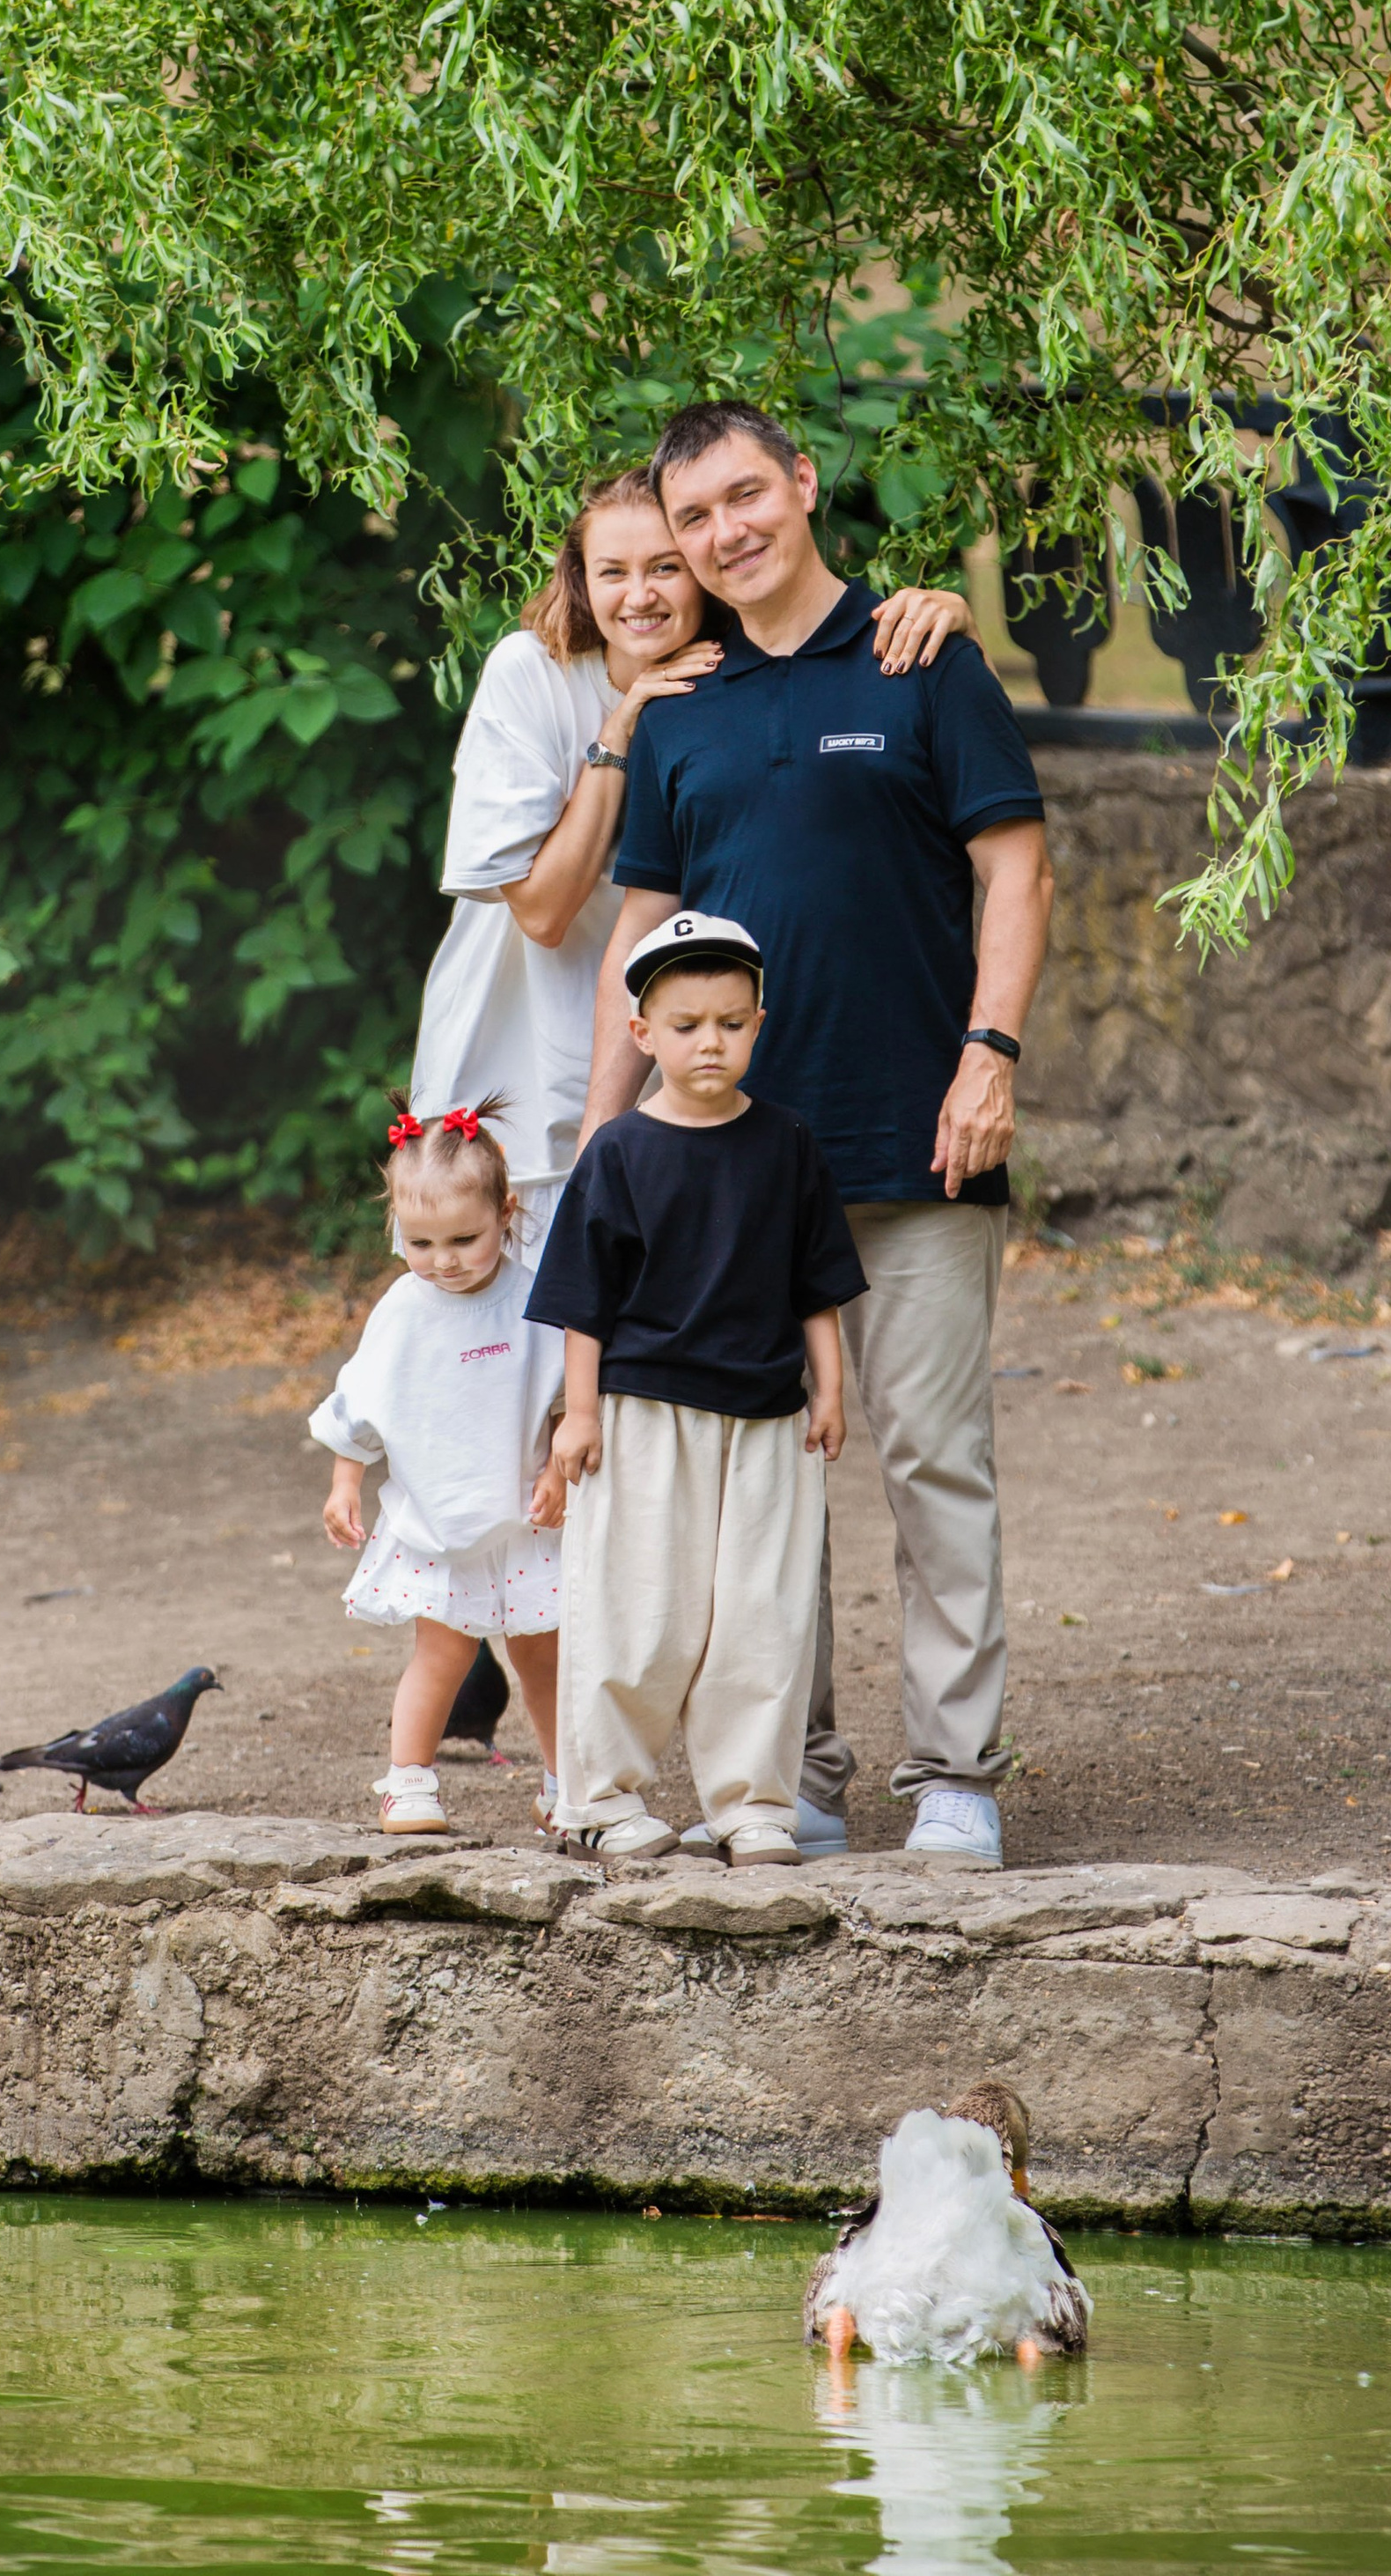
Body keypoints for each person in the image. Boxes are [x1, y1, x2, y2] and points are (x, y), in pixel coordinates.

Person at [581, 403, 1054, 1871]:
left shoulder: (923, 659)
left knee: (933, 1463)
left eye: (746, 497)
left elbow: (1016, 869)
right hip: (732, 1171)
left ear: (801, 486)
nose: (727, 533)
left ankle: (955, 1775)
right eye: (696, 518)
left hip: (916, 1142)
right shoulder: (682, 709)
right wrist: (609, 1145)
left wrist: (990, 1056)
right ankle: (797, 1771)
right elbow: (640, 936)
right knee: (770, 1478)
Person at [408, 469, 975, 1258]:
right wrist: (621, 729)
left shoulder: (734, 677)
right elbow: (540, 912)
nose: (639, 595)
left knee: (646, 1353)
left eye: (665, 567)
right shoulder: (531, 673)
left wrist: (950, 610)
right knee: (498, 1341)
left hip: (671, 1064)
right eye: (612, 571)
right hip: (515, 1062)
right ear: (580, 578)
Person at [527, 910, 867, 1866]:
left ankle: (752, 1805)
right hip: (643, 1416)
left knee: (760, 1618)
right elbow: (581, 1302)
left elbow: (817, 1283)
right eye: (685, 1025)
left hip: (766, 1418)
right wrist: (580, 1413)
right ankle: (599, 1801)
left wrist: (829, 1388)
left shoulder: (788, 1145)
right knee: (639, 1608)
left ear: (760, 1022)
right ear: (642, 1035)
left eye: (729, 1022)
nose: (708, 1042)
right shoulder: (620, 1153)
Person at [310, 1095, 566, 1836]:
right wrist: (344, 1482)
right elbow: (361, 1399)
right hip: (438, 1513)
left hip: (525, 1515)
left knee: (543, 1658)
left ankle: (562, 1782)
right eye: (421, 1243)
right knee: (442, 1656)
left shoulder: (534, 1300)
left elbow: (560, 1398)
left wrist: (556, 1472)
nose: (443, 1261)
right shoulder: (404, 1308)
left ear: (507, 1213)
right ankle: (408, 1782)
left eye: (463, 1238)